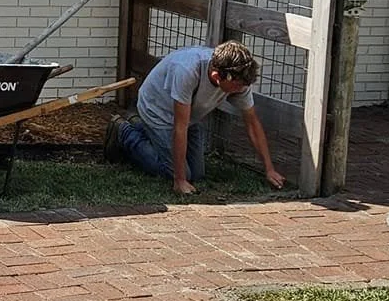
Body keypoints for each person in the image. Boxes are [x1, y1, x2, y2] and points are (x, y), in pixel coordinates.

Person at [106, 40, 287, 194]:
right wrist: (179, 180)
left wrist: (269, 169)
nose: (241, 90)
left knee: (197, 174)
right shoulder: (187, 71)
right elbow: (179, 127)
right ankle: (125, 133)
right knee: (178, 172)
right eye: (237, 86)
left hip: (189, 115)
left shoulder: (239, 78)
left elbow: (252, 123)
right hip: (158, 110)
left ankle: (140, 127)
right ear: (217, 76)